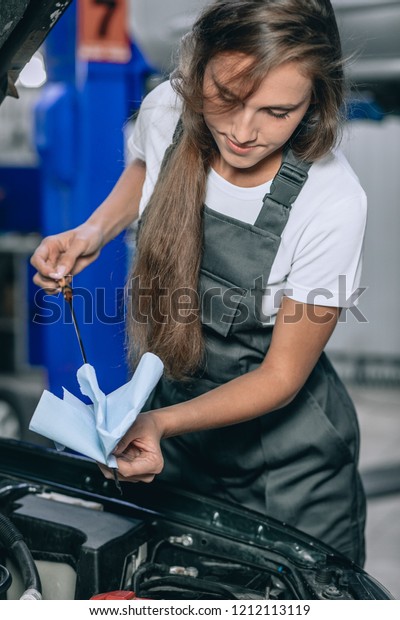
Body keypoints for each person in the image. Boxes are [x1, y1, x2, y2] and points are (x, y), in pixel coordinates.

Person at [31, 0, 367, 565]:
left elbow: (282, 374)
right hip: (178, 437)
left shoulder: (331, 201)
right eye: (226, 97)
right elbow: (147, 166)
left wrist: (159, 423)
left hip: (287, 472)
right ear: (197, 69)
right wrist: (93, 231)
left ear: (317, 100)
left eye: (277, 111)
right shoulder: (169, 106)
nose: (242, 131)